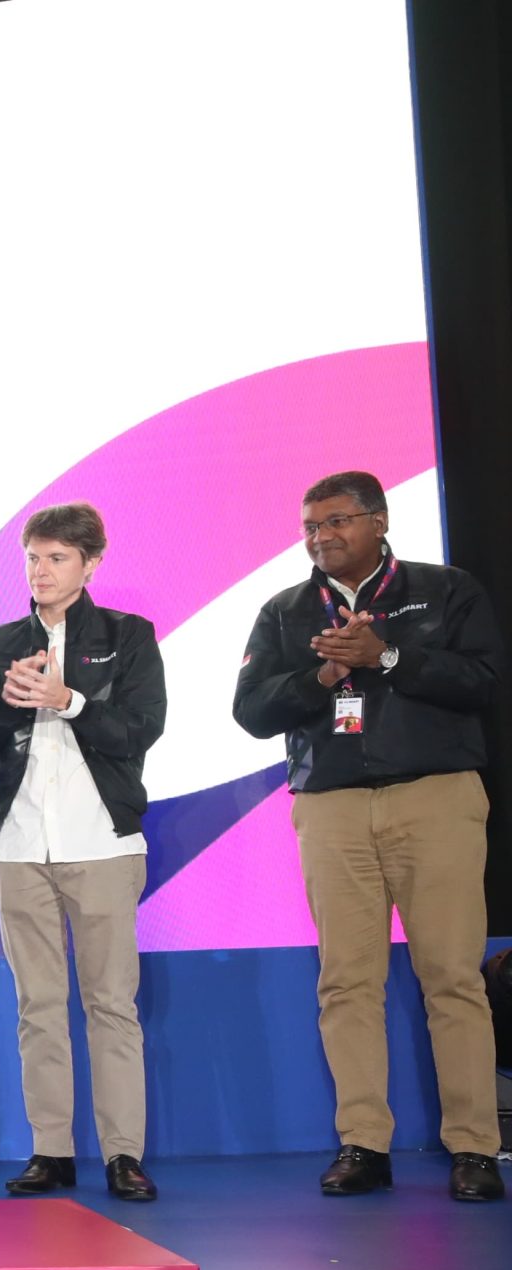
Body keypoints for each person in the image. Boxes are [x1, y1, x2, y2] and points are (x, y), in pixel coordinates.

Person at [233, 470, 505, 1202]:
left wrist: (386, 657)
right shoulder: (286, 611)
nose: (321, 536)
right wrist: (324, 675)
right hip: (332, 806)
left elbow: (482, 682)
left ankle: (474, 1147)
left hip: (434, 797)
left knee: (452, 977)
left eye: (336, 521)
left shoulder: (445, 589)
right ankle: (363, 1142)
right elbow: (252, 712)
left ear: (378, 521)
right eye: (310, 526)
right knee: (346, 981)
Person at [0, 504, 165, 1201]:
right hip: (17, 846)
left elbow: (140, 729)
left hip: (100, 842)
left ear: (91, 563)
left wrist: (68, 699)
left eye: (57, 559)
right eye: (33, 559)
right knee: (37, 1005)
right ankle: (52, 1150)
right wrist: (10, 701)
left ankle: (123, 1154)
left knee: (111, 1004)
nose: (40, 572)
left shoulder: (127, 635)